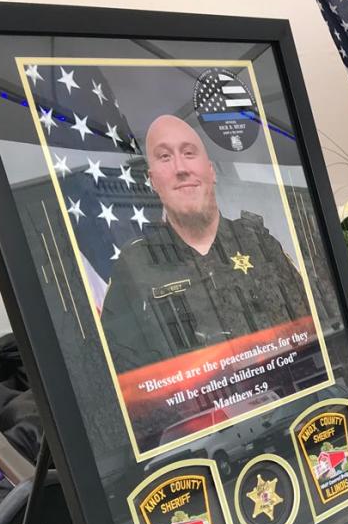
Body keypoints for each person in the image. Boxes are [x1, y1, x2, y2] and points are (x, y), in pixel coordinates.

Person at [100, 115, 313, 373]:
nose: (180, 168)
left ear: (210, 170)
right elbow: (124, 376)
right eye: (165, 157)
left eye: (189, 153)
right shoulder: (134, 266)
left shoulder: (258, 241)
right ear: (153, 179)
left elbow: (313, 329)